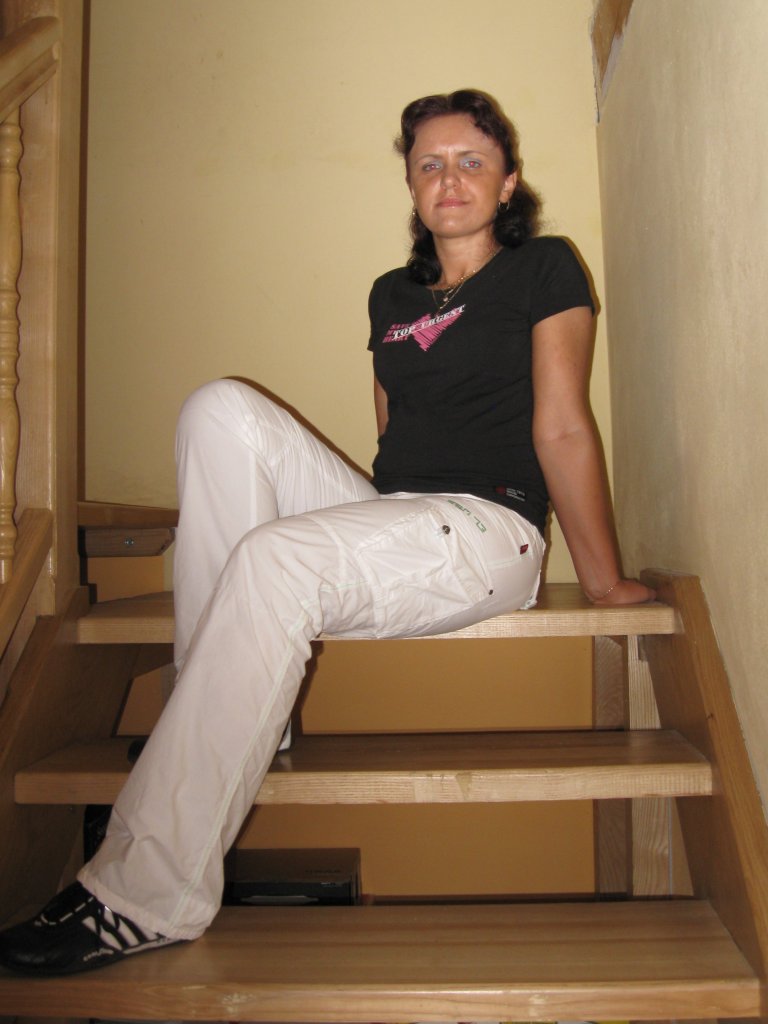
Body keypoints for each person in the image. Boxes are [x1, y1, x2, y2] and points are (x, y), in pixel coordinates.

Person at [0, 88, 654, 976]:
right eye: (429, 163)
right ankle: (221, 708)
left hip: (490, 528)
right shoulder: (391, 294)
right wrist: (369, 516)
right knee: (220, 408)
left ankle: (143, 893)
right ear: (411, 184)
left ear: (508, 183)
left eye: (471, 161)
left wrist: (603, 581)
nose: (449, 177)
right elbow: (392, 435)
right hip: (400, 512)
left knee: (275, 558)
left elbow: (564, 427)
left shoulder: (544, 268)